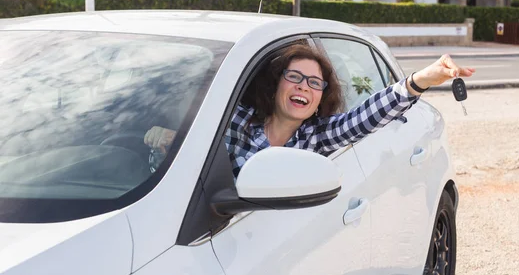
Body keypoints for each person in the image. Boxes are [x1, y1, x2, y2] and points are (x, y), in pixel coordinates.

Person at [144, 44, 475, 177]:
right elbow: (183, 154)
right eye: (295, 77)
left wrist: (421, 80)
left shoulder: (316, 137)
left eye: (315, 83)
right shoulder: (234, 120)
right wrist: (163, 139)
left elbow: (365, 118)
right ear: (277, 85)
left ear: (320, 98)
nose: (304, 86)